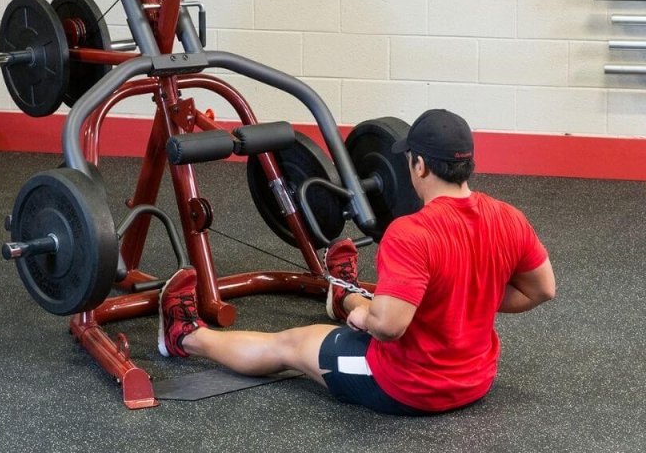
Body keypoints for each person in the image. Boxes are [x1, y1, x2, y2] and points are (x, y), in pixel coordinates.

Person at [157, 108, 556, 415]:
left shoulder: (410, 232)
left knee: (292, 343)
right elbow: (543, 289)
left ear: (418, 165)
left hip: (406, 387)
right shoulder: (508, 216)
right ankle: (342, 294)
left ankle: (184, 337)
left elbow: (388, 328)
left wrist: (365, 318)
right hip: (476, 380)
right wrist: (468, 297)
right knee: (384, 302)